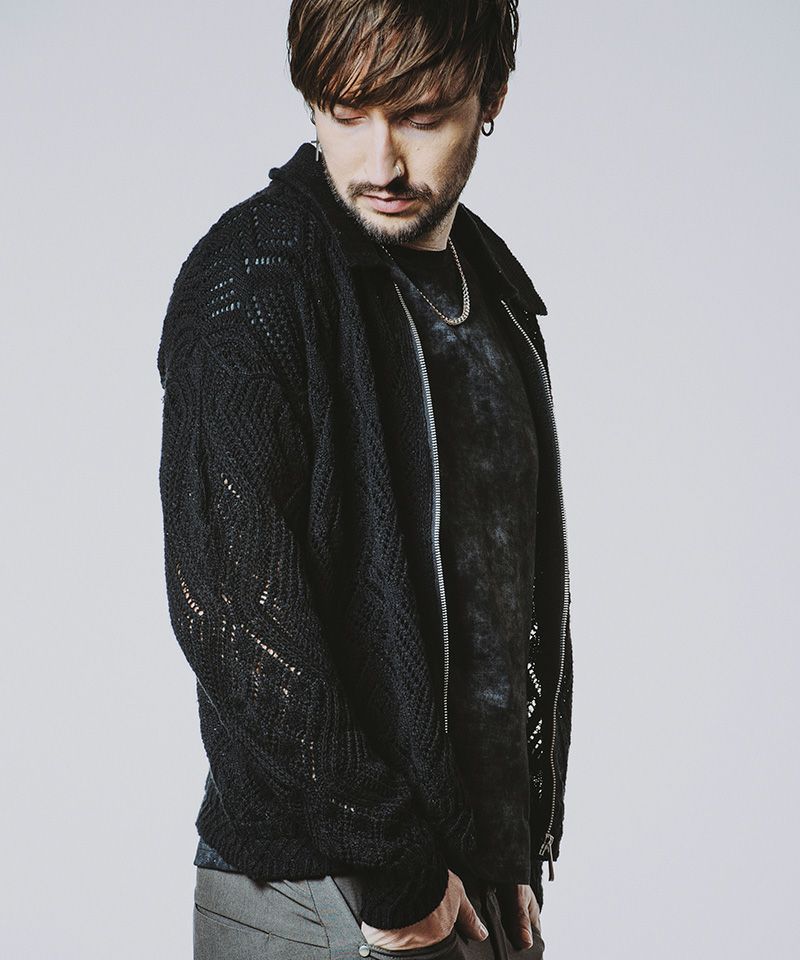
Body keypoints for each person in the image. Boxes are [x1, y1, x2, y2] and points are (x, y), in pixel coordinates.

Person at [156, 2, 574, 957]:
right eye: (347, 114)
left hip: (467, 885)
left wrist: (506, 842)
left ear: (492, 97)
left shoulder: (494, 292)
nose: (380, 162)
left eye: (420, 117)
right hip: (328, 890)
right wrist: (397, 876)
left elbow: (497, 593)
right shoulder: (255, 280)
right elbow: (229, 611)